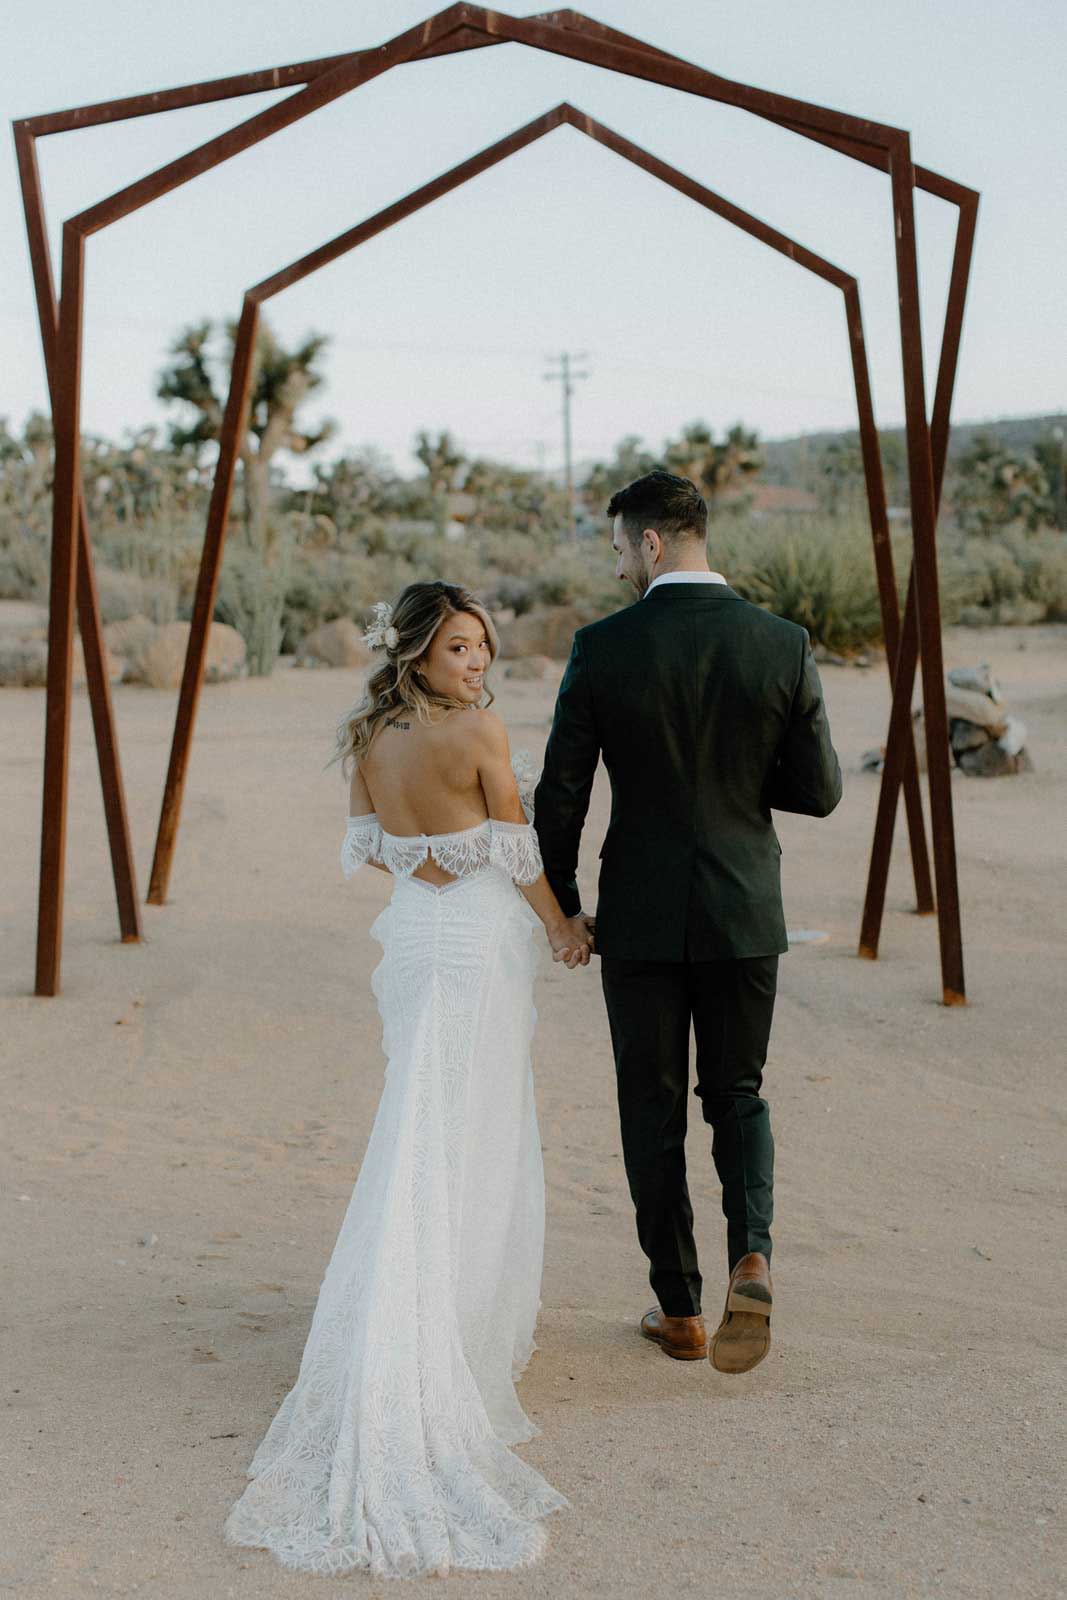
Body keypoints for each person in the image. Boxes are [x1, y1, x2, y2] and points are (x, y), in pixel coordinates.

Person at [223, 581, 588, 1578]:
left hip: (416, 939)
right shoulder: (478, 733)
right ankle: (443, 1334)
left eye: (483, 647)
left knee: (417, 1122)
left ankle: (421, 1310)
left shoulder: (367, 738)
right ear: (420, 651)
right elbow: (514, 848)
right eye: (461, 647)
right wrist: (557, 923)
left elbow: (370, 849)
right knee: (466, 1129)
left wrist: (429, 867)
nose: (477, 663)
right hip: (474, 937)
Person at [534, 471, 842, 1375]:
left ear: (653, 544)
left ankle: (678, 1311)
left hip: (637, 913)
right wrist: (742, 786)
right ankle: (752, 1250)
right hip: (745, 905)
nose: (619, 563)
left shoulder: (602, 647)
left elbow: (563, 793)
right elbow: (819, 791)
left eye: (621, 547)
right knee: (737, 1093)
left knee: (651, 1105)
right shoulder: (780, 643)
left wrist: (564, 904)